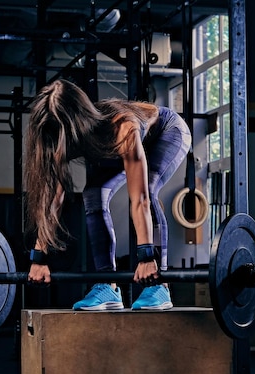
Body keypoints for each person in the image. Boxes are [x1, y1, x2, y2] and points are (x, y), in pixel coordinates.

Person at [24, 79, 191, 310]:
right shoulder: (58, 135)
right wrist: (39, 258)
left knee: (149, 188)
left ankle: (159, 286)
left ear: (78, 124)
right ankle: (107, 286)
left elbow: (140, 199)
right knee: (93, 193)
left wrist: (146, 257)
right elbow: (54, 200)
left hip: (168, 131)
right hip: (122, 143)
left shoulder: (123, 127)